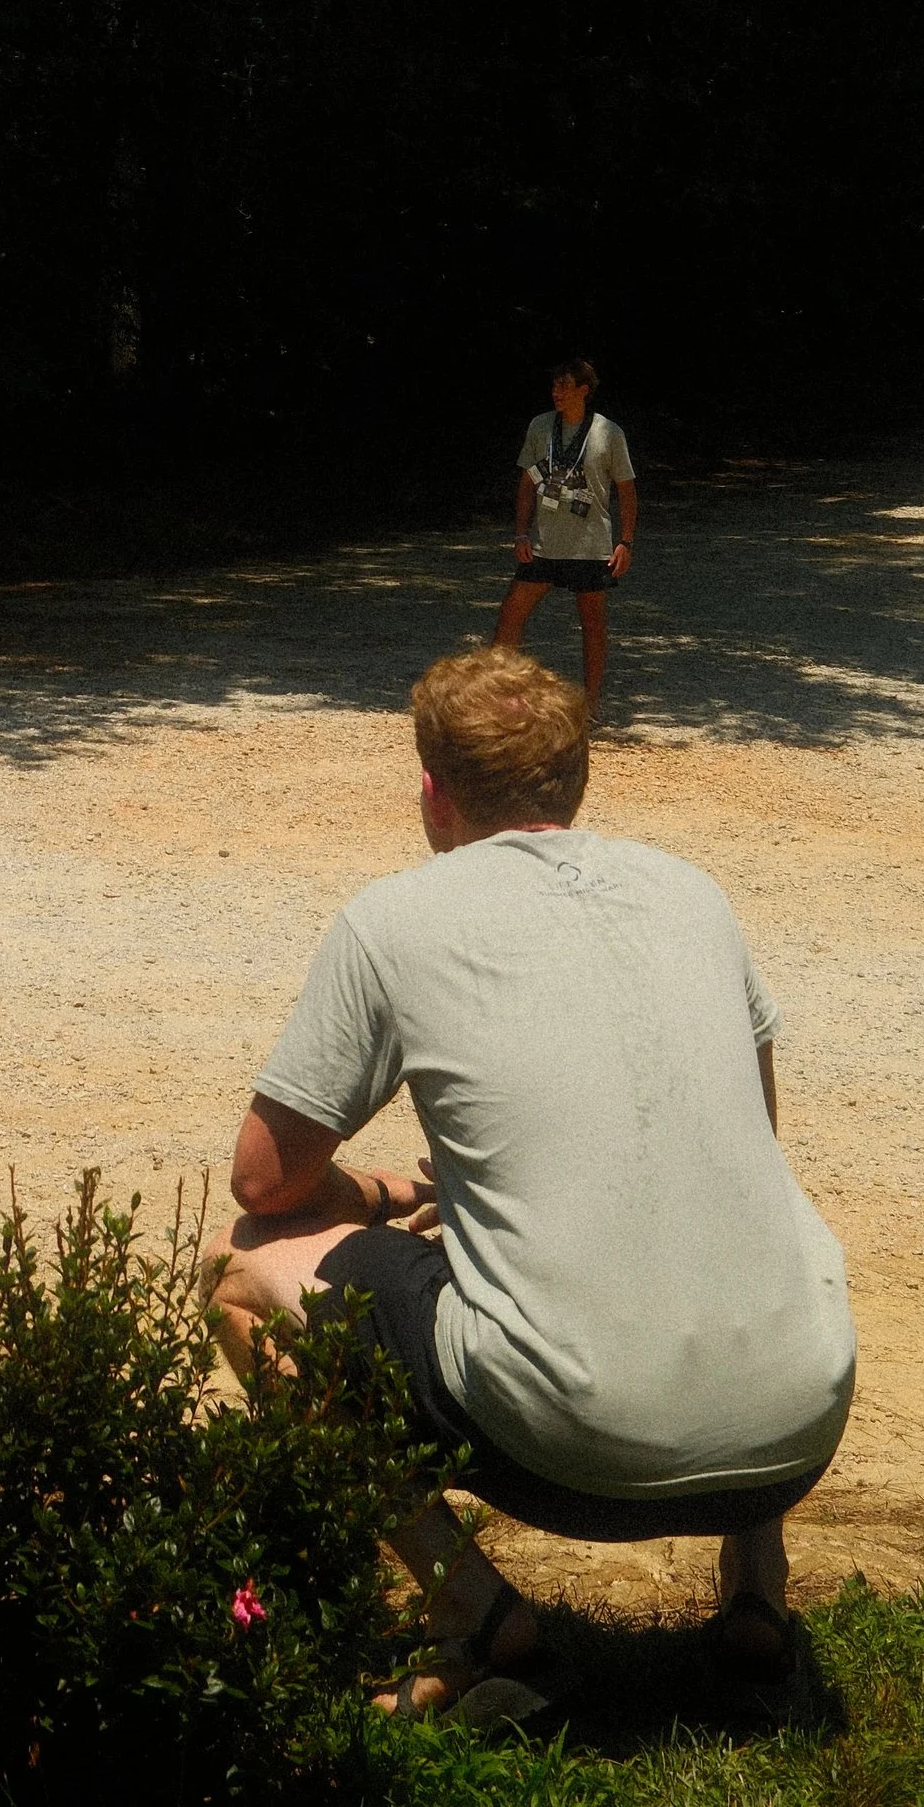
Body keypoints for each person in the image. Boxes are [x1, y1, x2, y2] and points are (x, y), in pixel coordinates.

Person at [202, 647, 854, 1726]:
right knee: (734, 1212)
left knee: (236, 1268)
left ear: (431, 791)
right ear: (575, 781)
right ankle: (754, 1605)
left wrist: (379, 1194)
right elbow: (750, 1139)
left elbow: (265, 1180)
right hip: (794, 1439)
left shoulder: (395, 920)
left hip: (573, 1456)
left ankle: (486, 1624)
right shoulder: (693, 894)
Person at [494, 357, 635, 708]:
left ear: (583, 391)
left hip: (591, 547)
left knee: (593, 626)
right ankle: (501, 698)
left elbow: (627, 490)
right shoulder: (541, 427)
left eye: (565, 386)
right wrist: (521, 533)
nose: (556, 393)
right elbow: (526, 484)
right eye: (554, 385)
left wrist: (626, 542)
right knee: (511, 614)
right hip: (544, 544)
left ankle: (590, 704)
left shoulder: (608, 432)